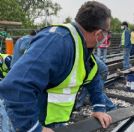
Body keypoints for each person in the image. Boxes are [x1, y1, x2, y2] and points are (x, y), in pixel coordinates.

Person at [0, 1, 112, 131]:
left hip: (52, 121)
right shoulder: (58, 42)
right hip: (26, 121)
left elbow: (92, 76)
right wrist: (34, 128)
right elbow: (15, 86)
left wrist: (99, 107)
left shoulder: (82, 46)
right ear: (98, 34)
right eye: (107, 32)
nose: (106, 36)